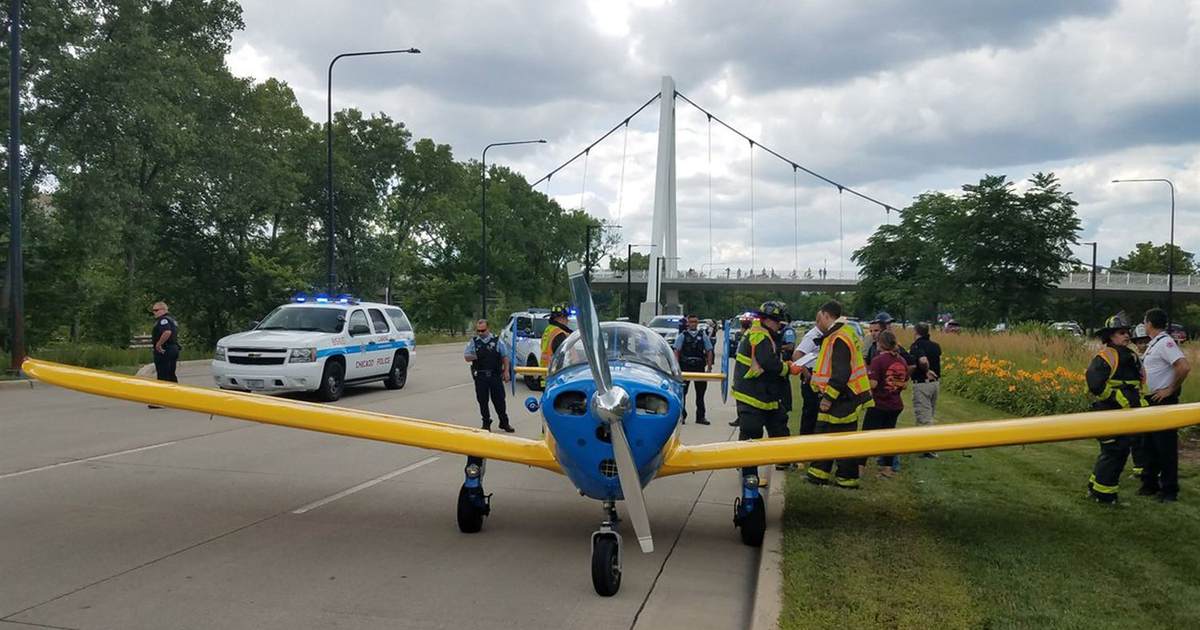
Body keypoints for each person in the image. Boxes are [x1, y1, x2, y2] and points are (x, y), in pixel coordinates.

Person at [806, 300, 873, 488]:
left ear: (826, 315)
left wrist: (828, 398)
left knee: (843, 440)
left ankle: (847, 479)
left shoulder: (839, 337)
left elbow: (841, 373)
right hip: (840, 396)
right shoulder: (842, 333)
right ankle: (818, 475)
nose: (818, 322)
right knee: (824, 434)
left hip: (843, 397)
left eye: (819, 318)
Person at [1084, 314, 1147, 504]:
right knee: (1114, 452)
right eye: (1121, 333)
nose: (1127, 336)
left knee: (1116, 452)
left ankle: (1096, 487)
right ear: (1110, 336)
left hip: (1125, 415)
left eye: (1127, 332)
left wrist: (1141, 404)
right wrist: (1118, 398)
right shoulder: (1105, 357)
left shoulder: (1132, 357)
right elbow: (1095, 385)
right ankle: (1105, 495)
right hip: (1107, 413)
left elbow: (1139, 385)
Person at [732, 301, 795, 477]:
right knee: (752, 434)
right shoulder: (759, 335)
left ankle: (784, 461)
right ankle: (748, 473)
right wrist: (789, 368)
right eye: (778, 322)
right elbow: (768, 363)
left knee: (779, 427)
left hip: (765, 394)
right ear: (769, 320)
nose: (780, 326)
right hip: (752, 395)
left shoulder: (764, 333)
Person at [1138, 307, 1191, 502]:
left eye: (1145, 322)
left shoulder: (1166, 343)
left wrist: (1170, 389)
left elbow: (1184, 367)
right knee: (1149, 445)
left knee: (1165, 447)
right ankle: (1149, 484)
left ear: (1149, 323)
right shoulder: (1155, 344)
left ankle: (1169, 490)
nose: (1144, 325)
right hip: (1151, 401)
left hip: (1163, 402)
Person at [862, 330, 908, 477]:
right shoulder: (901, 360)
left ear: (879, 344)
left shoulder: (878, 360)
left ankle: (859, 467)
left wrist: (864, 379)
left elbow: (874, 384)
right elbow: (904, 384)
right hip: (895, 404)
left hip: (879, 404)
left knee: (866, 436)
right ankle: (887, 469)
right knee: (888, 437)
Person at [464, 319, 512, 432]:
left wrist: (506, 371)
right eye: (478, 331)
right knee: (482, 400)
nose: (480, 333)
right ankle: (486, 423)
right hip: (480, 376)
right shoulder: (474, 342)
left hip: (495, 375)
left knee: (499, 400)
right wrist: (478, 355)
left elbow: (505, 356)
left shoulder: (497, 340)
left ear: (488, 329)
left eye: (483, 330)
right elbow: (466, 356)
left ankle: (504, 422)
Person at [909, 322, 942, 458]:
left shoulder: (917, 345)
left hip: (922, 383)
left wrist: (926, 370)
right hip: (935, 384)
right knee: (930, 414)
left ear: (916, 332)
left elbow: (922, 360)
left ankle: (929, 448)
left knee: (924, 417)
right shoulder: (935, 346)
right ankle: (922, 445)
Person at [674, 315, 714, 425]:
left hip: (699, 368)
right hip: (685, 367)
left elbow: (709, 350)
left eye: (695, 322)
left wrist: (709, 367)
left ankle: (700, 417)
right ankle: (682, 416)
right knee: (682, 393)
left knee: (700, 394)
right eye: (691, 322)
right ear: (688, 323)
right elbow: (676, 351)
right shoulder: (683, 336)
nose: (693, 324)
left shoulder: (703, 335)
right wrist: (676, 367)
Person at [148, 302, 180, 408]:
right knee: (171, 374)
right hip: (173, 348)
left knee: (163, 375)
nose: (154, 313)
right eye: (153, 311)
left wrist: (158, 344)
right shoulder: (172, 320)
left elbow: (167, 332)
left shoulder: (163, 320)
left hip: (165, 349)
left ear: (163, 309)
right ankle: (176, 397)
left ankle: (161, 401)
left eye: (156, 310)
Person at [792, 325, 824, 436]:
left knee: (816, 416)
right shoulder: (813, 336)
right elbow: (797, 355)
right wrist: (807, 375)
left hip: (817, 377)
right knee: (810, 414)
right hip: (811, 376)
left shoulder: (823, 335)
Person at [729, 314, 755, 427]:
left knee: (744, 397)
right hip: (740, 368)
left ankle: (742, 418)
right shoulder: (743, 334)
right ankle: (740, 417)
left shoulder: (750, 334)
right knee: (739, 395)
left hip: (746, 370)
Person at [539, 305, 574, 389]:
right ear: (560, 318)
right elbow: (564, 356)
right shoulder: (559, 333)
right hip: (556, 376)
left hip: (545, 374)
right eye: (566, 318)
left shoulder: (549, 329)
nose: (567, 320)